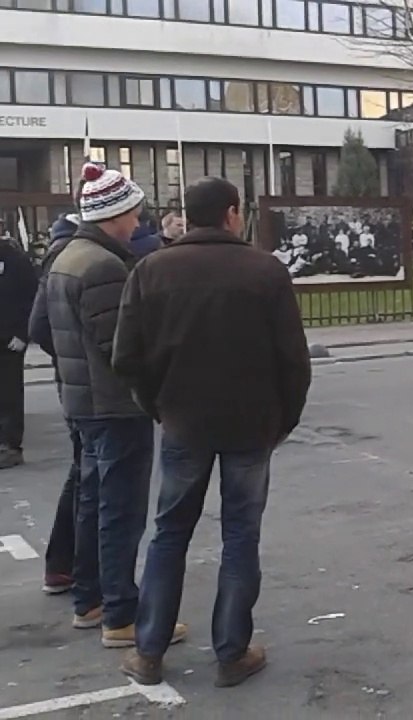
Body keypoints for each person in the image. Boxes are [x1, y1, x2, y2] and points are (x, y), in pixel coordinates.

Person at [114, 177, 311, 688]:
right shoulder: (264, 271)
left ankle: (149, 649)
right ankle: (232, 651)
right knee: (241, 534)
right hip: (251, 424)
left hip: (182, 420)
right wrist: (283, 420)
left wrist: (158, 405)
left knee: (170, 532)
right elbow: (293, 359)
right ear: (230, 213)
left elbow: (127, 358)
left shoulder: (151, 269)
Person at [28, 162, 188, 647]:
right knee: (120, 510)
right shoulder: (103, 266)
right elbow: (121, 347)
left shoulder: (65, 257)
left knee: (91, 501)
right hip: (114, 407)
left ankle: (90, 600)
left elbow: (43, 331)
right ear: (114, 214)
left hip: (82, 402)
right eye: (133, 212)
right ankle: (120, 614)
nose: (138, 221)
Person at [30, 211, 86, 594]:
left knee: (84, 470)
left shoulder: (58, 258)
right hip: (88, 386)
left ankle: (63, 564)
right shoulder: (76, 259)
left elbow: (38, 327)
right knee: (89, 474)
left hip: (73, 381)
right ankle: (72, 566)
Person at [0, 228, 38, 469]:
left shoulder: (15, 260)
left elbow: (33, 297)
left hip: (9, 341)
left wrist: (23, 333)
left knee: (9, 393)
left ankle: (10, 445)